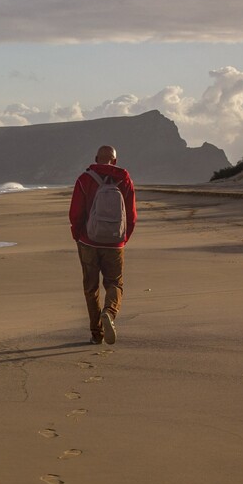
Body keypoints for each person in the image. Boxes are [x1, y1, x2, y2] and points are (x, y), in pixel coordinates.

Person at [69, 145, 137, 345]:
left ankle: (96, 334)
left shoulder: (84, 179)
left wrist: (78, 235)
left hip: (88, 241)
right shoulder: (125, 180)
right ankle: (109, 312)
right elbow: (131, 215)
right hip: (115, 242)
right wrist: (123, 238)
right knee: (114, 283)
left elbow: (76, 213)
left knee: (91, 288)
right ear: (115, 161)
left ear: (96, 158)